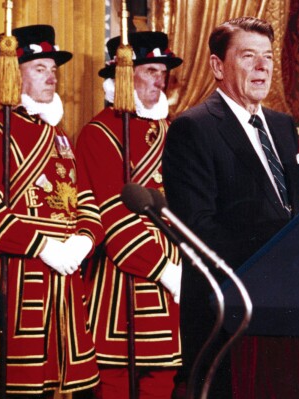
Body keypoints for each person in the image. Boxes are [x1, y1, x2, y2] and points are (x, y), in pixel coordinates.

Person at [162, 16, 299, 398]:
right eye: (248, 56)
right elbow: (197, 228)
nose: (262, 67)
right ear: (216, 66)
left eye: (268, 58)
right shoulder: (194, 128)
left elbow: (290, 210)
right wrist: (279, 251)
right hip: (225, 311)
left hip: (284, 306)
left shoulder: (282, 126)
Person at [0, 25, 102, 397]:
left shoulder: (61, 135)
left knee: (61, 386)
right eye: (39, 68)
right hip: (15, 276)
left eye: (53, 69)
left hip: (64, 279)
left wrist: (84, 239)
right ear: (13, 75)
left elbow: (87, 200)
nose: (51, 77)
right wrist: (43, 246)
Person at [75, 31, 184, 399]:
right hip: (122, 284)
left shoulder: (173, 132)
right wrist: (165, 270)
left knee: (163, 381)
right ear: (124, 75)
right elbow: (116, 220)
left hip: (176, 277)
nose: (160, 79)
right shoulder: (99, 134)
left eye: (163, 71)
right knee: (117, 383)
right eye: (151, 69)